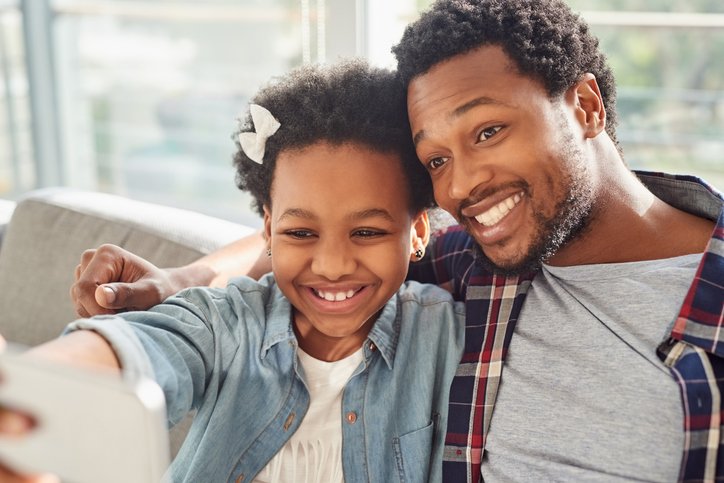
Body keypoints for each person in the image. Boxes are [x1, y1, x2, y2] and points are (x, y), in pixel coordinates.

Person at [70, 0, 724, 481]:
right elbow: (330, 235)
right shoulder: (475, 262)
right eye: (435, 160)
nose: (461, 185)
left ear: (585, 106)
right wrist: (183, 280)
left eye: (487, 132)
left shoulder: (706, 296)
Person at [0, 60, 465, 482]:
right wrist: (28, 387)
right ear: (268, 228)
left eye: (366, 232)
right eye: (301, 233)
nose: (332, 265)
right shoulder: (227, 320)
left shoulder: (447, 337)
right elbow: (144, 346)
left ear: (418, 230)